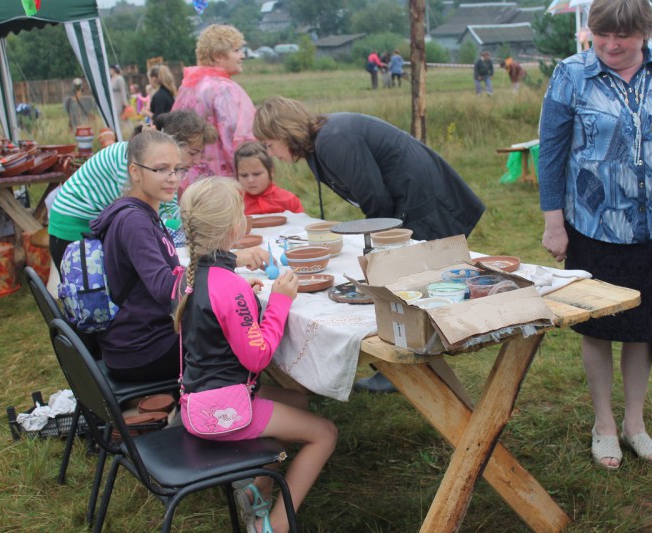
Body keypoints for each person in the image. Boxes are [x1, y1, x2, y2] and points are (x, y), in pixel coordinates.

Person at [253, 96, 485, 393]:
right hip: (411, 202)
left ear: (284, 131)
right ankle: (408, 361)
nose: (269, 152)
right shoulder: (324, 140)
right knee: (410, 281)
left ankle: (417, 364)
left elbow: (375, 199)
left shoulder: (333, 141)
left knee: (417, 280)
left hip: (423, 202)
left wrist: (382, 246)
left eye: (269, 144)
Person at [538, 0, 652, 470]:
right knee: (597, 328)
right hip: (593, 228)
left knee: (642, 329)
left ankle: (635, 424)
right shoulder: (570, 74)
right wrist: (553, 222)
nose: (612, 46)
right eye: (602, 36)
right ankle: (604, 425)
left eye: (624, 37)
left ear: (645, 33)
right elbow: (551, 153)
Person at [173, 177, 338, 533]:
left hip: (199, 400)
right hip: (222, 412)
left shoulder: (195, 275)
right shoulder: (228, 286)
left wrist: (241, 298)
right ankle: (275, 526)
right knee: (325, 433)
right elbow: (258, 358)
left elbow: (214, 317)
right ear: (237, 226)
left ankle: (259, 487)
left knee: (297, 400)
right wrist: (279, 301)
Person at [48, 109, 268, 272]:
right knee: (91, 295)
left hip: (92, 230)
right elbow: (156, 225)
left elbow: (170, 212)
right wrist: (215, 235)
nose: (198, 160)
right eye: (193, 152)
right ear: (171, 142)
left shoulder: (158, 169)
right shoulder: (128, 161)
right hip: (72, 231)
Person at [89, 129, 182, 381]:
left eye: (177, 169)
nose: (172, 178)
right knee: (232, 337)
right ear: (135, 172)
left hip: (140, 339)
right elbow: (167, 289)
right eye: (161, 169)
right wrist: (214, 274)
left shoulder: (141, 213)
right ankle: (222, 411)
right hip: (144, 349)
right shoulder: (135, 221)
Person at [172, 24, 257, 183]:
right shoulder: (224, 88)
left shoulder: (189, 86)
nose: (242, 56)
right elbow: (236, 137)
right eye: (236, 50)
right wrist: (250, 173)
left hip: (187, 178)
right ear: (218, 56)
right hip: (220, 180)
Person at [235, 141, 304, 215]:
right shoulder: (234, 203)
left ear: (271, 172)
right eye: (244, 175)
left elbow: (302, 225)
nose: (250, 180)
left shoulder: (288, 200)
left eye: (257, 174)